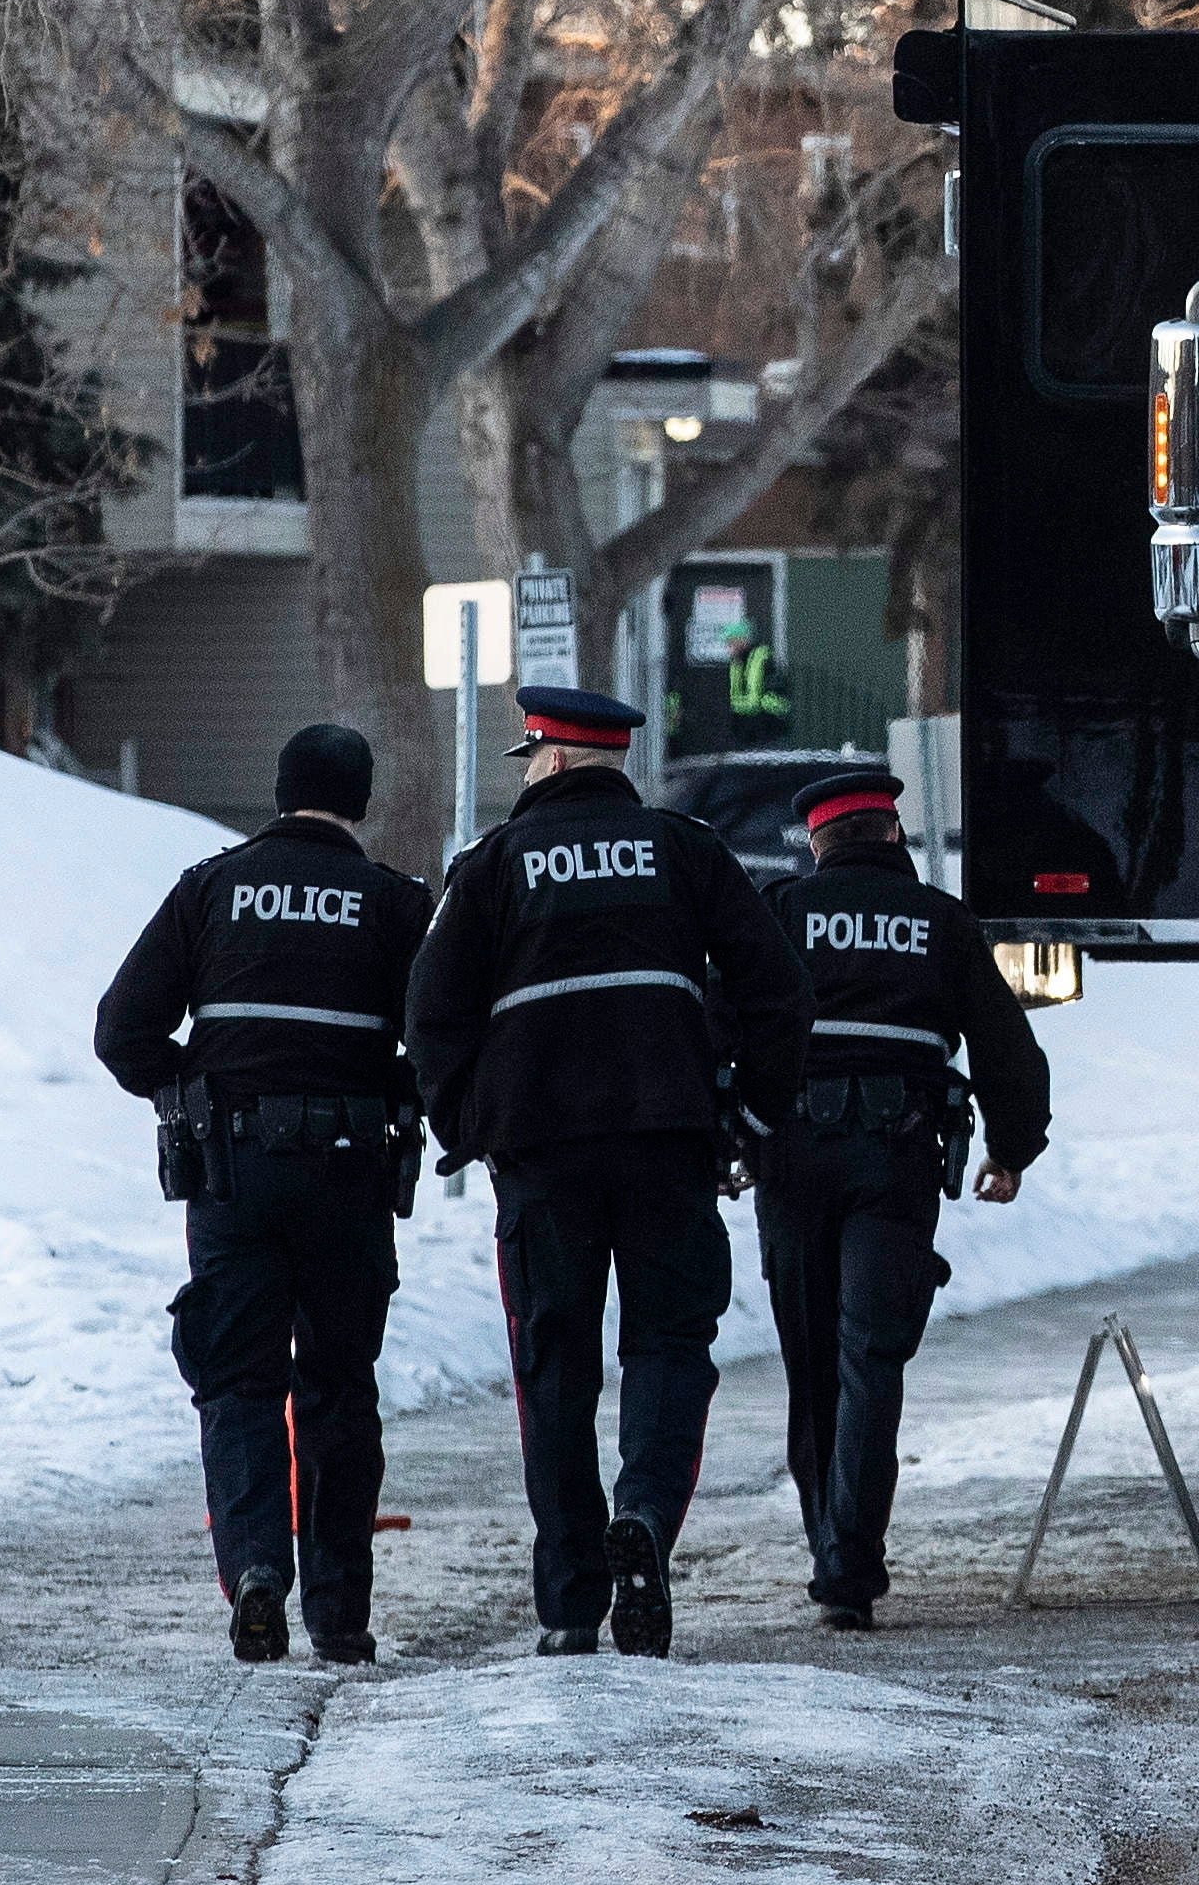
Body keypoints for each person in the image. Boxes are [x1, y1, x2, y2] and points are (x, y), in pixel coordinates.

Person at [404, 684, 807, 1657]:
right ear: (613, 761)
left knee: (555, 1369)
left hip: (539, 1156)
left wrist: (467, 1122)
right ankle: (643, 1520)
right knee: (670, 1345)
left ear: (546, 758)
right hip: (670, 1141)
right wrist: (749, 1112)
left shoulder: (493, 863)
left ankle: (571, 1600)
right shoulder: (684, 848)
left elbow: (432, 1008)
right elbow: (779, 986)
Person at [92, 724, 433, 1667]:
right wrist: (399, 1091)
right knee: (338, 1387)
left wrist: (190, 1086)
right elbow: (440, 1036)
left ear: (279, 791)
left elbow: (122, 1030)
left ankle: (253, 1573)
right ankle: (339, 1610)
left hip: (234, 1173)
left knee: (238, 1382)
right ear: (359, 801)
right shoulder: (395, 903)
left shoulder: (210, 887)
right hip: (349, 1172)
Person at [754, 765, 1053, 1629]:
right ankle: (851, 1560)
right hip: (895, 1158)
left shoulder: (782, 913)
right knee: (870, 1356)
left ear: (817, 841)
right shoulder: (940, 923)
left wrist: (726, 1140)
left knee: (812, 1359)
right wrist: (1012, 1147)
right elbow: (1008, 1047)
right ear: (893, 836)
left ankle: (830, 1547)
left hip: (794, 1156)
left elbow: (725, 1024)